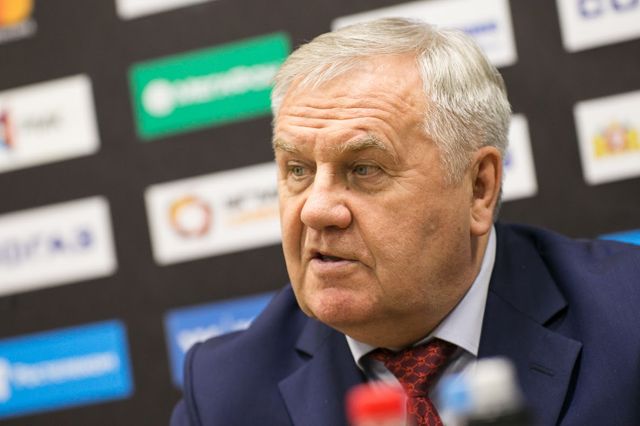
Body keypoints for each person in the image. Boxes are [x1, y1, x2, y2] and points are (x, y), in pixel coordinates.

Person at [170, 18, 640, 426]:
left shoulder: (627, 316)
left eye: (364, 169)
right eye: (298, 170)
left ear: (478, 187)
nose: (316, 210)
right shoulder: (224, 392)